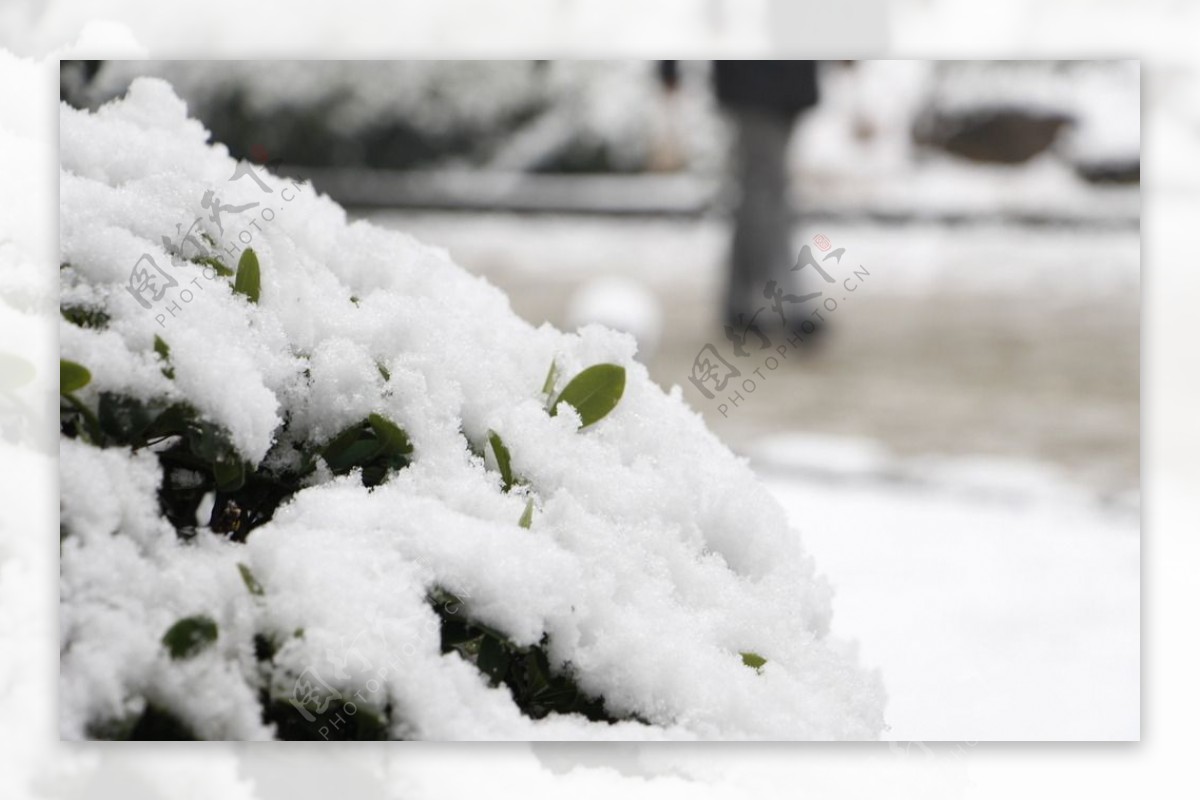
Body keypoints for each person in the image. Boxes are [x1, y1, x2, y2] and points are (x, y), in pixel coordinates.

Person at [660, 61, 820, 332]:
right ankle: (781, 299)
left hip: (788, 79)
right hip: (752, 81)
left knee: (757, 188)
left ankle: (740, 302)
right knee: (765, 189)